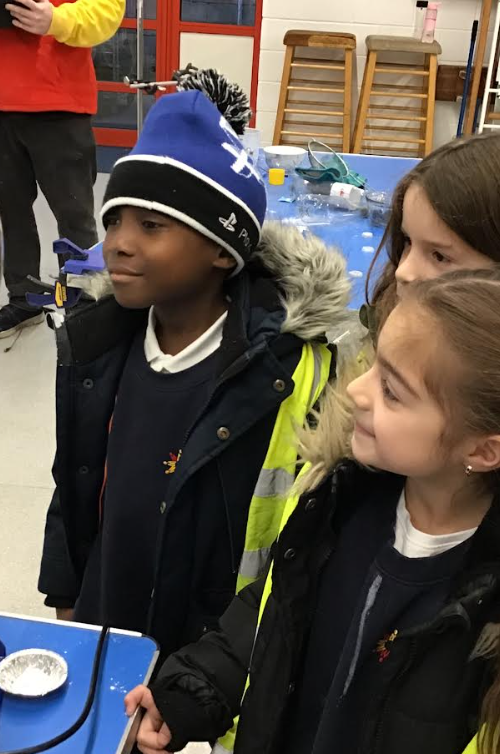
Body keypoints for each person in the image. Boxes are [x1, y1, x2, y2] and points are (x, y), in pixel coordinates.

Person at [37, 71, 351, 657]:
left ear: (220, 250)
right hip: (107, 614)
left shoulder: (280, 373)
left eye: (150, 225)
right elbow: (73, 481)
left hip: (210, 648)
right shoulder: (96, 347)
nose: (118, 242)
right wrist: (66, 592)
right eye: (114, 220)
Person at [126, 268, 500, 754]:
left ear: (483, 450)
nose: (357, 390)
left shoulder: (486, 617)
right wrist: (193, 693)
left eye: (391, 390)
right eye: (374, 366)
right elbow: (274, 614)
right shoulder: (341, 504)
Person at [0, 0, 125, 339]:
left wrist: (56, 20)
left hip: (59, 103)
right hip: (3, 103)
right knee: (11, 211)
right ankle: (24, 297)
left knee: (74, 215)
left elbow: (107, 11)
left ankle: (83, 306)